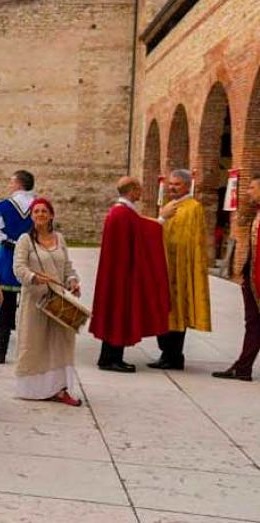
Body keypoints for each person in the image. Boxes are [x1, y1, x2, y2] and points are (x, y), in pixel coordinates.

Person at [89, 177, 170, 372]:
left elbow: (139, 226)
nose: (141, 193)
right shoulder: (122, 214)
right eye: (139, 189)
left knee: (116, 314)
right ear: (132, 190)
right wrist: (162, 218)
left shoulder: (121, 212)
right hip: (121, 275)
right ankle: (112, 359)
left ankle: (109, 357)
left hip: (117, 273)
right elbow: (143, 232)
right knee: (119, 313)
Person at [12, 198, 82, 406]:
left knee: (61, 344)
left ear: (51, 215)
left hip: (59, 301)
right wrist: (34, 277)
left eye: (44, 211)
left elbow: (68, 268)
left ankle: (60, 389)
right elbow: (19, 268)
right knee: (34, 344)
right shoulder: (25, 240)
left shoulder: (59, 239)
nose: (40, 214)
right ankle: (35, 389)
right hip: (35, 301)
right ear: (32, 216)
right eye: (36, 212)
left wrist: (73, 281)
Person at [150, 169, 211, 370]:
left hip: (181, 269)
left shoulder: (194, 208)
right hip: (165, 268)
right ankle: (167, 354)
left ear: (187, 185)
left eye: (176, 184)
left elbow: (195, 241)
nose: (172, 187)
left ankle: (173, 356)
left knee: (177, 313)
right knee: (163, 311)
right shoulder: (168, 206)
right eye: (170, 184)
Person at [213, 173, 260, 381]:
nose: (248, 191)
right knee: (253, 324)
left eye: (252, 188)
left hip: (257, 281)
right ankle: (243, 367)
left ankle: (242, 367)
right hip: (252, 279)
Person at [0, 170, 37, 364]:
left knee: (6, 306)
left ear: (18, 183)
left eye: (11, 181)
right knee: (32, 307)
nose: (9, 185)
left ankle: (0, 352)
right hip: (33, 258)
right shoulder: (40, 206)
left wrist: (11, 242)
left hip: (9, 258)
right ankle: (32, 353)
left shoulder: (4, 206)